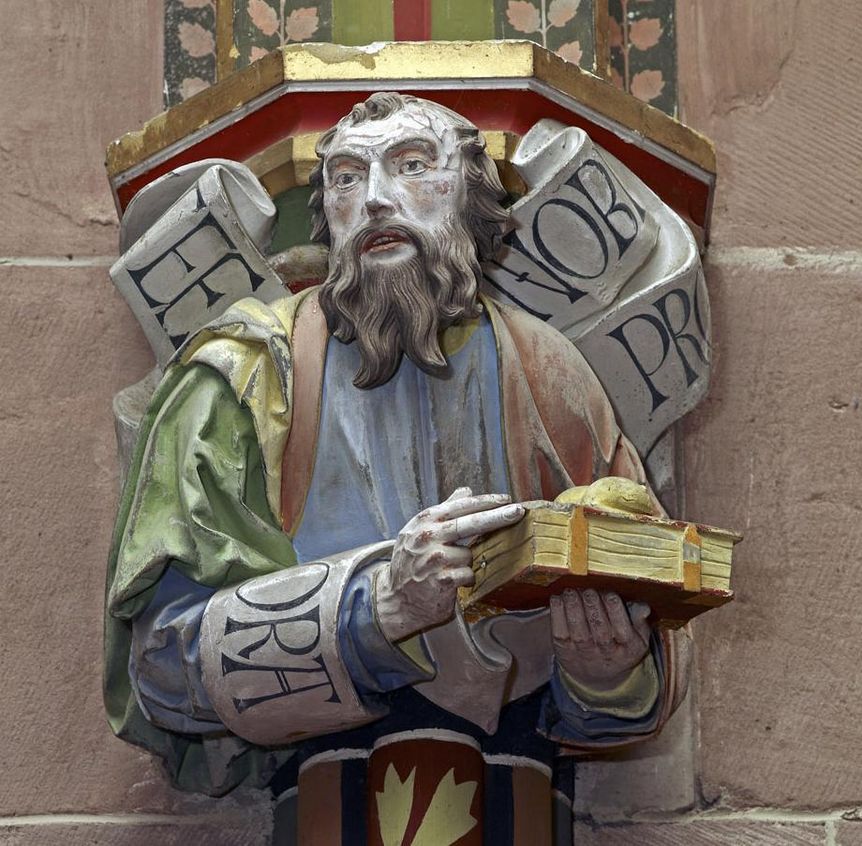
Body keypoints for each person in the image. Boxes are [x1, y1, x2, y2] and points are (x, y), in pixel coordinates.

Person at [105, 92, 690, 843]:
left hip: (523, 796)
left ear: (472, 200)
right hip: (323, 792)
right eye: (346, 178)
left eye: (413, 167)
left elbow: (632, 689)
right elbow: (163, 668)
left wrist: (605, 672)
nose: (377, 197)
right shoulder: (240, 379)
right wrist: (376, 608)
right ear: (328, 215)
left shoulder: (553, 376)